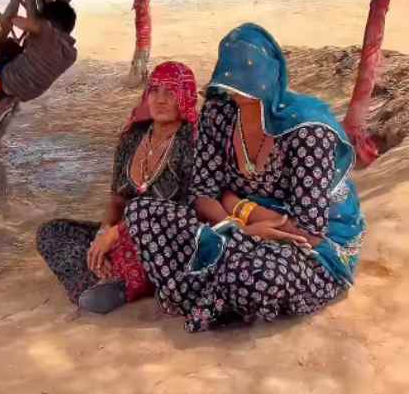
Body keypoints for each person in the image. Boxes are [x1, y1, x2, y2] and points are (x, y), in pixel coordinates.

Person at [152, 24, 366, 332]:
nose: (238, 83)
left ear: (271, 73)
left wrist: (237, 206)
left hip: (307, 247)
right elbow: (202, 194)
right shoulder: (219, 112)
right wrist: (245, 227)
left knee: (262, 275)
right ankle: (217, 289)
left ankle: (214, 292)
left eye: (248, 71)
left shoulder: (307, 130)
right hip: (236, 228)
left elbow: (307, 230)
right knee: (145, 213)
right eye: (232, 71)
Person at [36, 62, 199, 313]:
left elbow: (184, 209)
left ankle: (126, 282)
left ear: (185, 97)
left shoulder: (192, 141)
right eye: (155, 91)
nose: (161, 100)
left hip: (164, 241)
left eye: (170, 92)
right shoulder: (132, 137)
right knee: (51, 232)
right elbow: (117, 199)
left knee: (142, 234)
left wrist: (118, 234)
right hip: (121, 237)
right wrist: (103, 234)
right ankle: (101, 275)